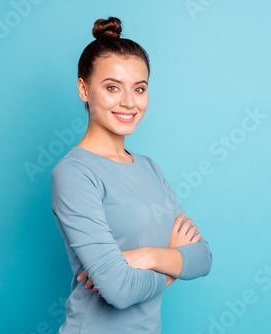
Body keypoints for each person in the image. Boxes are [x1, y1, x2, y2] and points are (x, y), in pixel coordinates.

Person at [51, 16, 213, 333]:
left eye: (139, 88)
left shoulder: (149, 167)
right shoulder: (74, 174)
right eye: (112, 87)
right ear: (84, 89)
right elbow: (120, 291)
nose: (129, 101)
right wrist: (172, 265)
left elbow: (203, 257)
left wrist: (144, 256)